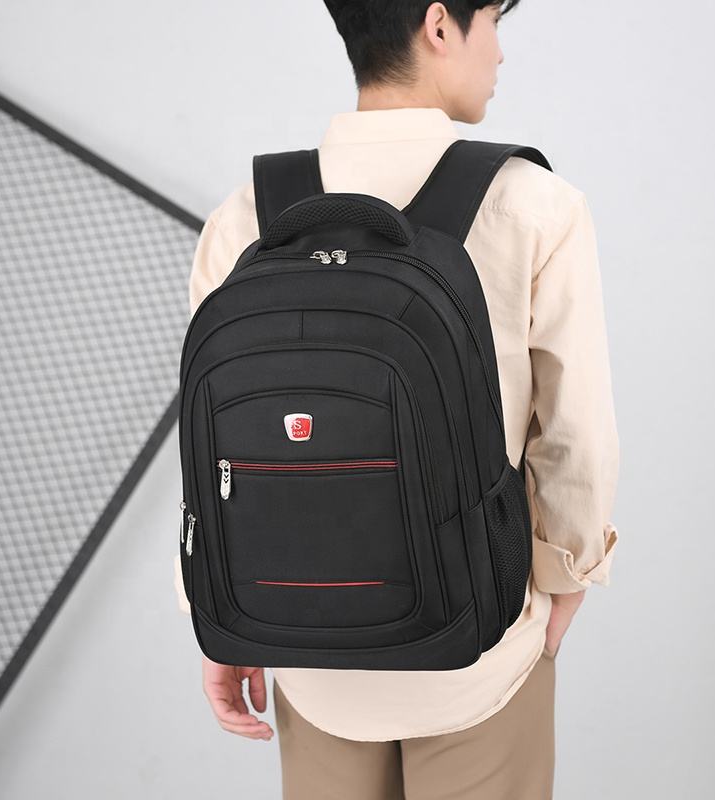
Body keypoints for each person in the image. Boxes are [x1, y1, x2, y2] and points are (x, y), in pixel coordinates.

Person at [173, 1, 620, 797]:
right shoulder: (535, 205)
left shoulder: (248, 215)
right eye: (494, 22)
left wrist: (218, 617)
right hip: (481, 645)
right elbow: (574, 437)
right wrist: (565, 581)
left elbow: (207, 444)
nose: (500, 54)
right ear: (440, 25)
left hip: (301, 647)